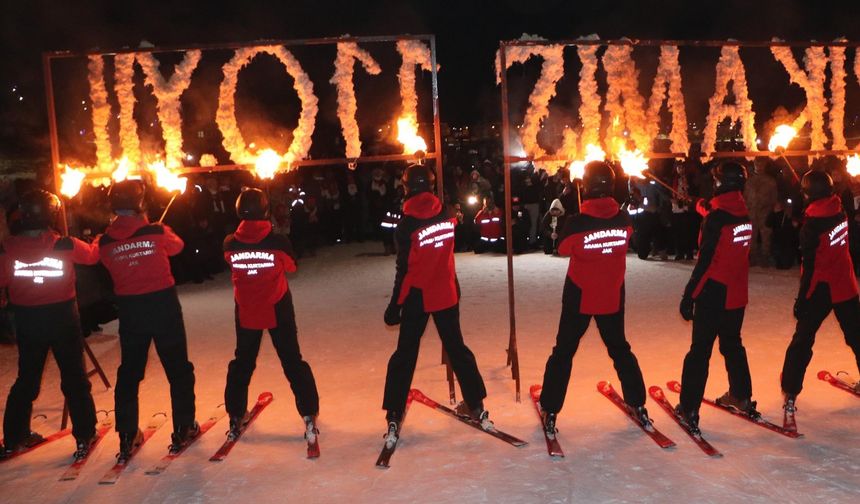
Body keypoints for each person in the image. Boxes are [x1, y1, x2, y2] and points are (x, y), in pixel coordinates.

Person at [538, 162, 651, 437]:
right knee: (620, 349)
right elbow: (624, 235)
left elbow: (563, 248)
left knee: (563, 351)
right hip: (612, 294)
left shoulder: (578, 222)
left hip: (580, 294)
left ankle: (550, 407)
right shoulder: (622, 219)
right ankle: (638, 402)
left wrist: (575, 220)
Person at [382, 164, 490, 444]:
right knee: (457, 348)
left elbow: (404, 270)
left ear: (406, 189)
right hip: (446, 290)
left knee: (405, 354)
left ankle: (393, 411)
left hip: (420, 294)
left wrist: (395, 305)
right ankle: (476, 403)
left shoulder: (407, 225)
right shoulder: (445, 212)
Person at [96, 180, 197, 460]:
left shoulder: (105, 241)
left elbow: (101, 258)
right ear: (139, 203)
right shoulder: (155, 230)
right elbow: (177, 246)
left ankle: (127, 434)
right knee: (178, 368)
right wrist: (152, 229)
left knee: (129, 372)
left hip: (131, 310)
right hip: (162, 304)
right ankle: (184, 425)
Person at [0, 190, 99, 459]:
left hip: (27, 320)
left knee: (26, 380)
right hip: (62, 318)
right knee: (74, 378)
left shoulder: (7, 247)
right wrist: (98, 240)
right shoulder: (63, 244)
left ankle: (14, 437)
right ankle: (85, 433)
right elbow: (92, 256)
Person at [223, 188, 320, 442]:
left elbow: (231, 262)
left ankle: (235, 413)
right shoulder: (277, 241)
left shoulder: (230, 243)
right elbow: (291, 265)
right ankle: (309, 413)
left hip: (246, 310)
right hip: (277, 307)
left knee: (242, 362)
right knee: (292, 361)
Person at [676, 162, 758, 435]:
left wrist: (690, 294)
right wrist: (701, 205)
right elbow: (717, 213)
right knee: (733, 344)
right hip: (737, 291)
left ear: (721, 183)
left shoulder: (718, 217)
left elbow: (706, 260)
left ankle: (689, 408)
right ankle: (741, 394)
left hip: (714, 291)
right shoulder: (741, 212)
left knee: (700, 351)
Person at [780, 171, 860, 414]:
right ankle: (791, 389)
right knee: (857, 336)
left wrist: (802, 298)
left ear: (808, 194)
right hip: (845, 283)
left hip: (822, 288)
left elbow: (811, 266)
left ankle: (790, 390)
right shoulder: (840, 209)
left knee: (803, 339)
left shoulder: (811, 225)